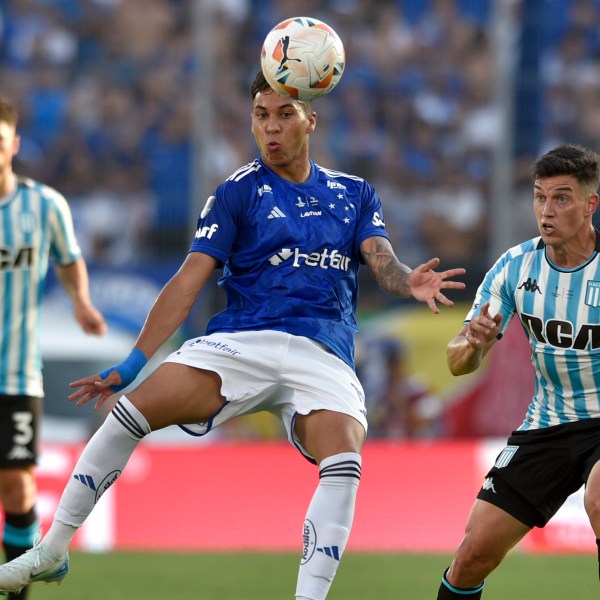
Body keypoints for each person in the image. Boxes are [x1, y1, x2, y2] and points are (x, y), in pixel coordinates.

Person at [0, 71, 465, 600]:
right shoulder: (237, 193)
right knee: (130, 410)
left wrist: (409, 282)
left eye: (284, 115)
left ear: (310, 120)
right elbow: (188, 282)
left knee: (345, 458)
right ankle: (54, 548)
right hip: (243, 342)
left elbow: (382, 264)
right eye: (261, 116)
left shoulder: (354, 194)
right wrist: (132, 365)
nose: (270, 128)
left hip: (323, 351)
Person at [436, 143, 600, 599]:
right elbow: (456, 363)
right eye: (539, 197)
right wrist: (473, 342)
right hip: (548, 424)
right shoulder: (514, 267)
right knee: (471, 557)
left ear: (591, 205)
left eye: (562, 198)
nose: (546, 211)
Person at [0, 97, 106, 600]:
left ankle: (17, 591)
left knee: (17, 486)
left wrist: (81, 301)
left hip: (16, 372)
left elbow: (68, 259)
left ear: (14, 145)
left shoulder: (44, 205)